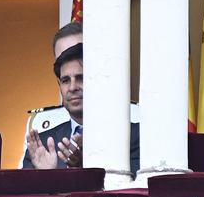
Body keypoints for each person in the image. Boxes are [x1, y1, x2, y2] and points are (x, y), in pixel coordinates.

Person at [22, 43, 140, 173]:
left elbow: (136, 188)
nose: (72, 87)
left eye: (81, 78)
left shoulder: (134, 136)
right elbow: (24, 192)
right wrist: (50, 176)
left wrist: (86, 167)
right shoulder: (41, 144)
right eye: (65, 80)